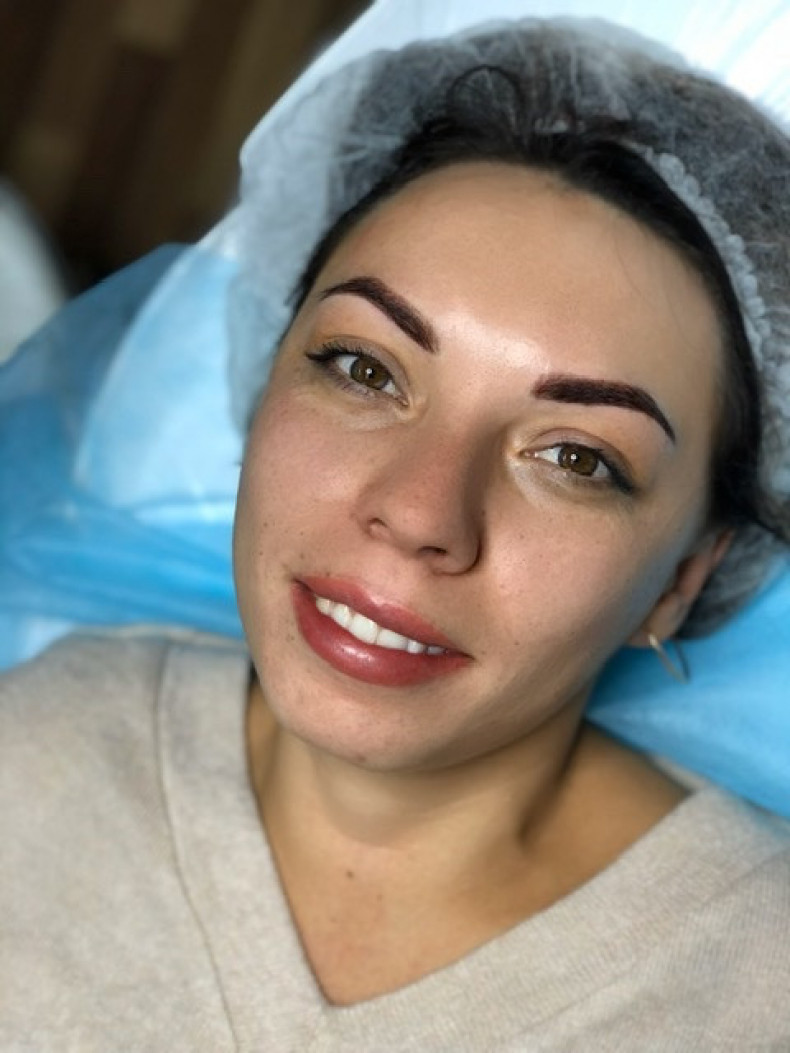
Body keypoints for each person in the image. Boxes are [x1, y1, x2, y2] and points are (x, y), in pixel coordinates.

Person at [1, 3, 789, 1048]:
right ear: (264, 388)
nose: (419, 513)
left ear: (682, 579)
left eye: (575, 458)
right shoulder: (41, 743)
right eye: (364, 369)